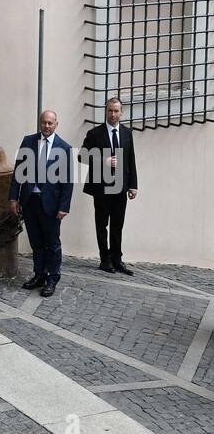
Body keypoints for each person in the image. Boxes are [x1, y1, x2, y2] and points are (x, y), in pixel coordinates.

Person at [9, 109, 73, 298]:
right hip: (30, 202)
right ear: (40, 122)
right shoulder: (28, 141)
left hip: (51, 205)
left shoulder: (65, 148)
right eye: (43, 122)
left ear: (56, 124)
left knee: (52, 244)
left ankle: (52, 278)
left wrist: (64, 207)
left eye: (50, 123)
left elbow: (68, 181)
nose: (46, 126)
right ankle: (39, 274)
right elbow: (18, 172)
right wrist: (13, 198)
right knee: (36, 241)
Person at [80, 97, 138, 275]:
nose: (113, 114)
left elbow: (131, 160)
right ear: (106, 112)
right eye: (110, 111)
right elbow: (81, 155)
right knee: (102, 224)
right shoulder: (95, 133)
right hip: (102, 187)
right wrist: (103, 160)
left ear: (122, 112)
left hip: (121, 186)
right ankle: (105, 260)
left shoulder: (127, 133)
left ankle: (116, 259)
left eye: (116, 111)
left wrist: (133, 185)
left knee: (117, 224)